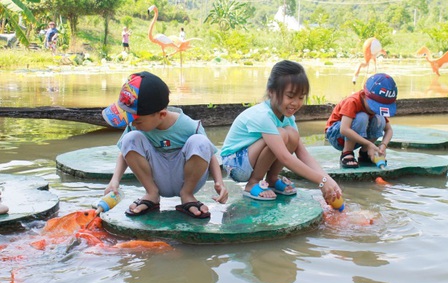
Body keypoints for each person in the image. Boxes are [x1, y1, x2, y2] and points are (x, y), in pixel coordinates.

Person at [102, 71, 228, 219]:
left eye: (138, 120)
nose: (133, 124)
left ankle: (187, 195)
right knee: (130, 138)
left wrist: (219, 183)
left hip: (186, 178)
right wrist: (114, 181)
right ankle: (152, 194)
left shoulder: (188, 125)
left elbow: (209, 153)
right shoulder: (135, 126)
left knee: (200, 142)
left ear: (161, 114)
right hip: (156, 177)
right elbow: (125, 152)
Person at [220, 60, 342, 205]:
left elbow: (302, 153)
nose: (296, 103)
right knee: (282, 134)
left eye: (301, 97)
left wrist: (328, 179)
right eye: (290, 96)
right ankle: (253, 183)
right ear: (271, 92)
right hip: (236, 163)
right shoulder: (263, 115)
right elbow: (284, 157)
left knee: (292, 135)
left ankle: (272, 179)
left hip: (249, 158)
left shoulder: (288, 117)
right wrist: (320, 182)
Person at [325, 73, 397, 168]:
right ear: (363, 95)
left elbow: (389, 130)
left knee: (380, 119)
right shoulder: (352, 101)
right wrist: (369, 143)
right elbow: (344, 129)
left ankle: (365, 152)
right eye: (374, 107)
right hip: (337, 136)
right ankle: (347, 153)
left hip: (359, 138)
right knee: (362, 117)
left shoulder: (376, 111)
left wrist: (382, 146)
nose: (375, 110)